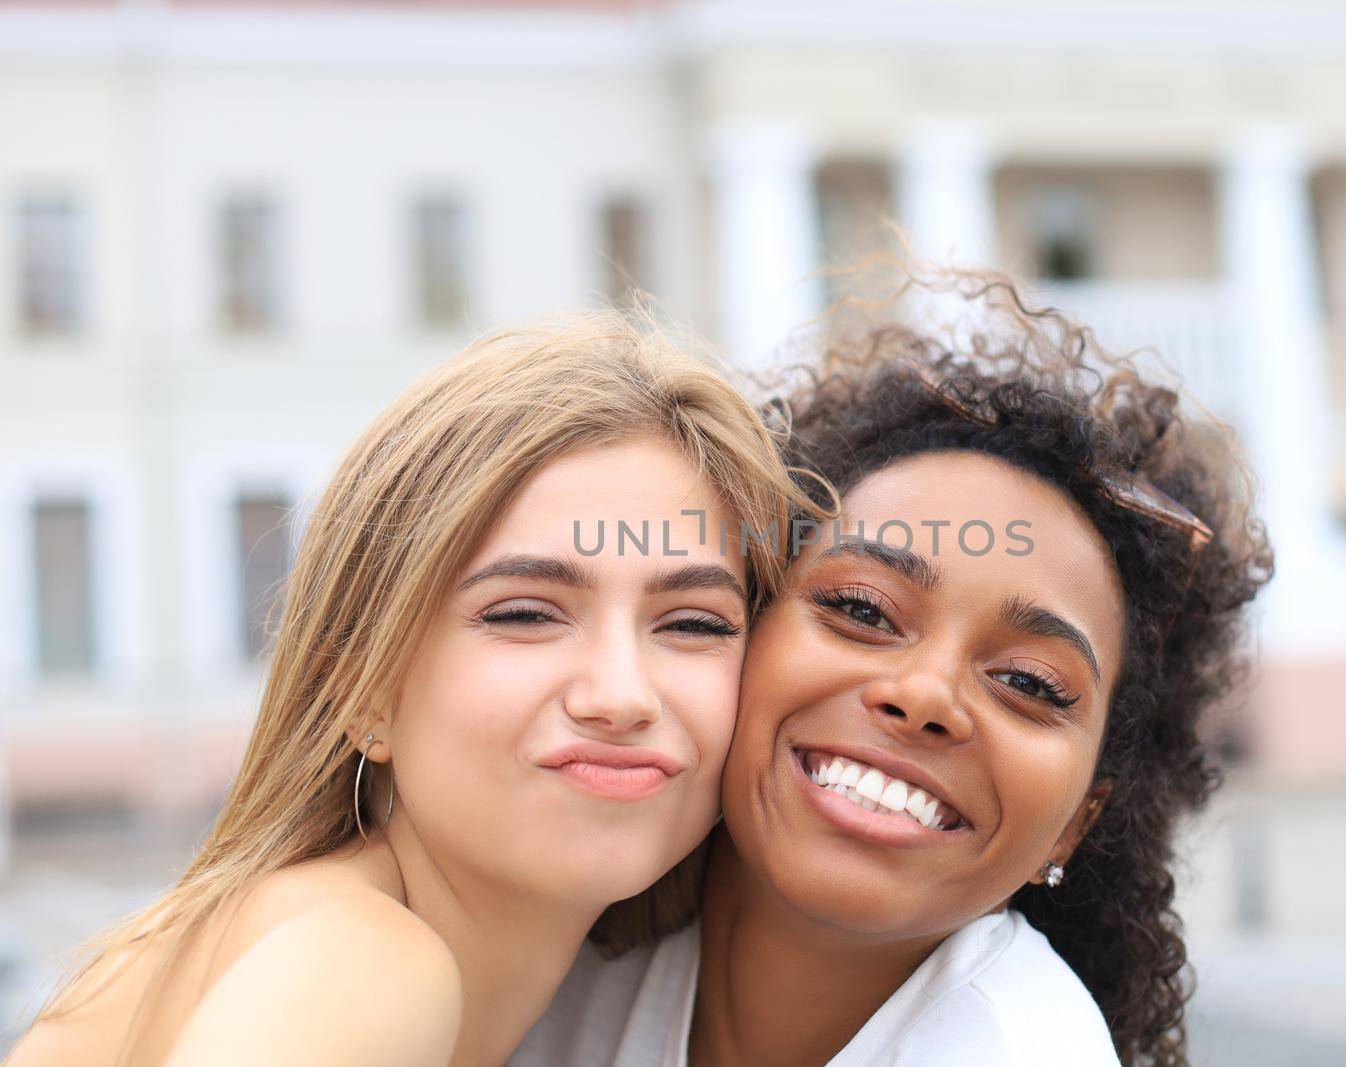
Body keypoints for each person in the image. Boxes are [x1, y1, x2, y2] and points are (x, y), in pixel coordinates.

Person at [9, 312, 820, 1066]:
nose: (621, 693)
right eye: (527, 613)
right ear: (362, 686)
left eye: (692, 624)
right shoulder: (363, 966)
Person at [515, 275, 1274, 1066]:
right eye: (864, 609)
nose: (922, 696)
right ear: (738, 632)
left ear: (1075, 824)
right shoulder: (549, 948)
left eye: (1028, 683)